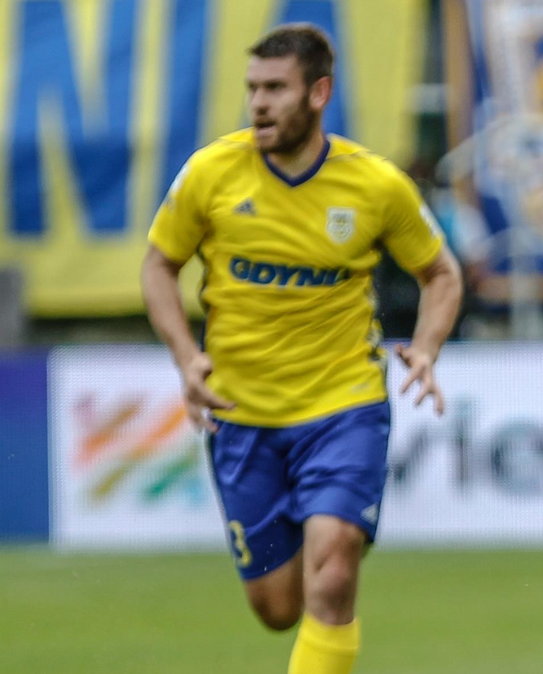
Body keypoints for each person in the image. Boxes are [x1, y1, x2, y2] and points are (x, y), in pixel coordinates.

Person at [140, 23, 462, 674]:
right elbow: (157, 265)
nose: (258, 103)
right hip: (242, 411)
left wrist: (426, 347)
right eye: (253, 88)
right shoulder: (210, 173)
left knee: (335, 562)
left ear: (319, 93)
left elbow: (442, 273)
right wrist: (185, 356)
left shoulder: (374, 184)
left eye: (276, 89)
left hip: (343, 404)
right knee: (278, 607)